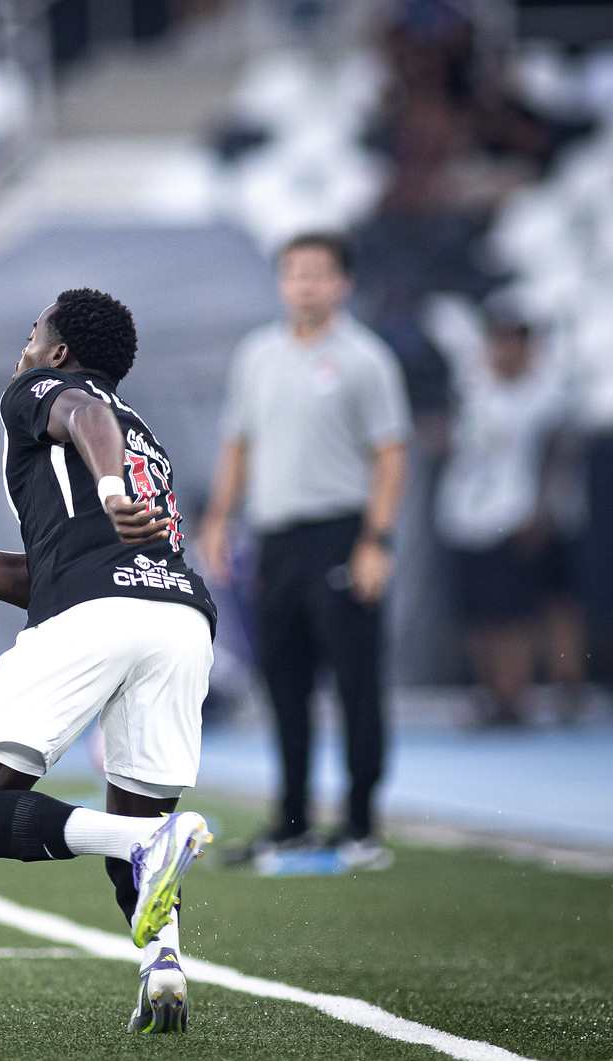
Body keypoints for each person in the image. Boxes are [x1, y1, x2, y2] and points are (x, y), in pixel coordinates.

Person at [0, 288, 216, 1034]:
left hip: (98, 614)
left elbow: (81, 412)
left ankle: (145, 845)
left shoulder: (51, 394)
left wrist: (113, 489)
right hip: (180, 619)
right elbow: (37, 577)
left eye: (34, 334)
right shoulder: (141, 432)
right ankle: (164, 966)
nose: (25, 348)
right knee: (141, 811)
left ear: (57, 352)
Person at [200, 231, 411, 868]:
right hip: (276, 538)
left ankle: (360, 823)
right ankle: (290, 819)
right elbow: (238, 443)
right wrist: (218, 519)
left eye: (319, 273)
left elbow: (391, 455)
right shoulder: (257, 355)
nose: (306, 285)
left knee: (354, 681)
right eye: (295, 273)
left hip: (342, 533)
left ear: (343, 282)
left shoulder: (365, 359)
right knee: (283, 681)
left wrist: (377, 540)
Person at [435, 305, 581, 726]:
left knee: (512, 614)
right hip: (466, 513)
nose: (503, 351)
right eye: (497, 342)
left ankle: (516, 696)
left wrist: (542, 509)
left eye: (512, 342)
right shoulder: (473, 389)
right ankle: (491, 694)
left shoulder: (546, 395)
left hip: (514, 514)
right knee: (478, 613)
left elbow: (557, 456)